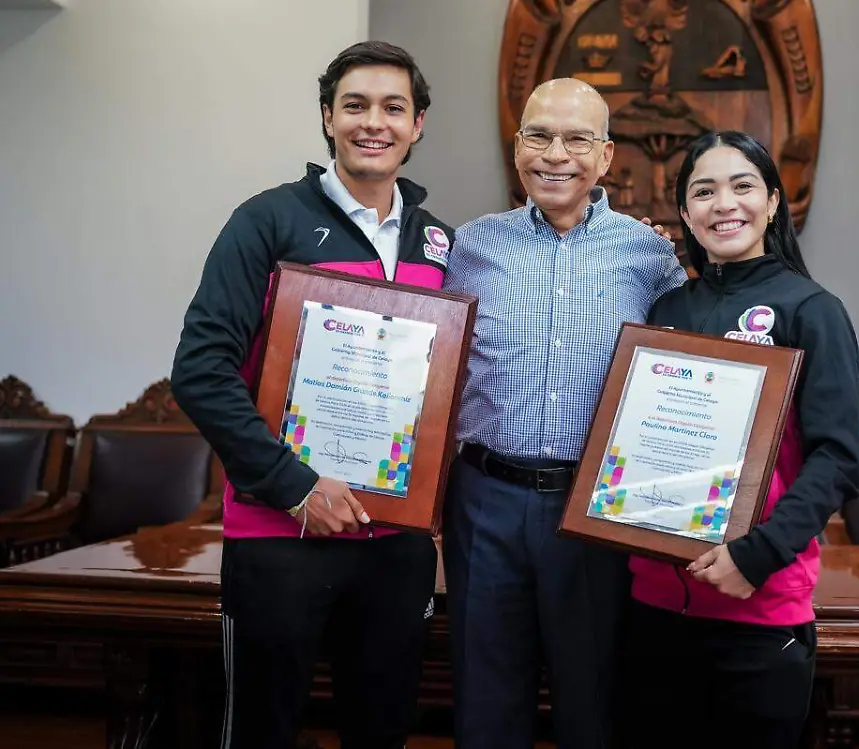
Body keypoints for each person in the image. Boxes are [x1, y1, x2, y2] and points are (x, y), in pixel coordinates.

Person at [171, 41, 450, 749]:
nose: (373, 123)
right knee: (261, 731)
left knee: (382, 730)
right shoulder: (266, 221)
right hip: (280, 534)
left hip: (396, 544)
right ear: (328, 118)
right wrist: (294, 486)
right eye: (355, 105)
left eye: (393, 107)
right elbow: (201, 369)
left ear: (417, 124)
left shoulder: (440, 242)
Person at [440, 77, 688, 749]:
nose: (556, 155)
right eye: (540, 136)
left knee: (593, 704)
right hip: (485, 498)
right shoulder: (469, 247)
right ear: (516, 147)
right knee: (486, 704)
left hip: (594, 509)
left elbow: (683, 368)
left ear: (606, 156)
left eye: (577, 139)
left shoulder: (651, 255)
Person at [620, 130, 859, 748]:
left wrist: (755, 557)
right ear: (685, 213)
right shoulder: (666, 310)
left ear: (773, 201)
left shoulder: (813, 309)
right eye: (704, 192)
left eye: (743, 186)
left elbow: (837, 461)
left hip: (758, 604)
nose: (724, 204)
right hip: (654, 604)